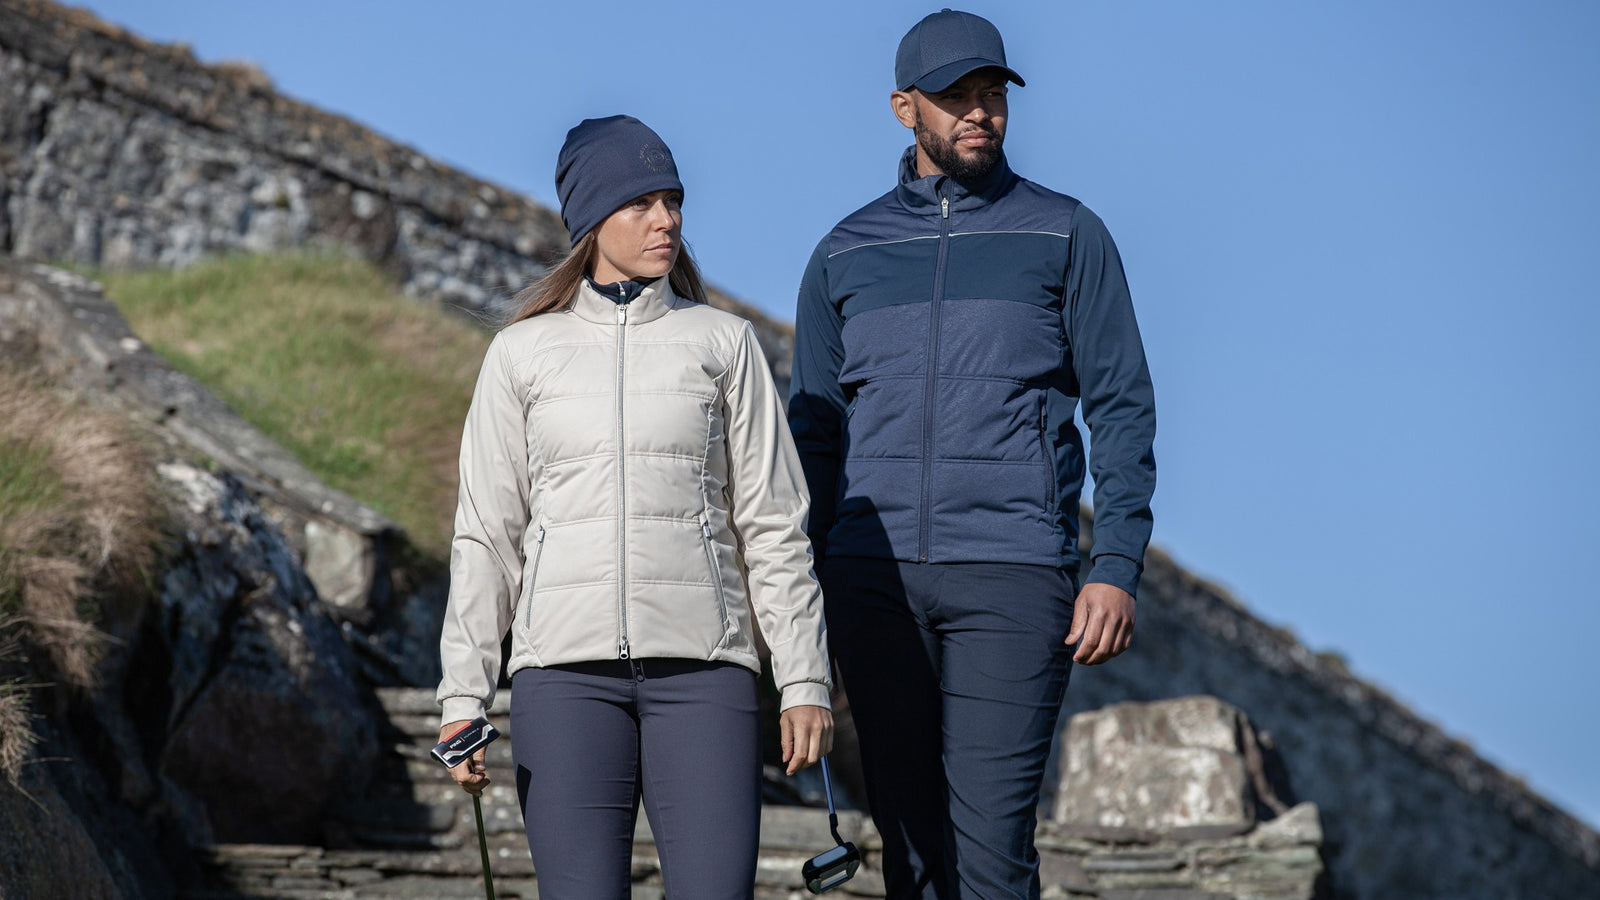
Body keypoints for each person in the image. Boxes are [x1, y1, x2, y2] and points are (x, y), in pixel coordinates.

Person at [787, 10, 1157, 899]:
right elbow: (812, 438)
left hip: (1013, 573)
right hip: (871, 583)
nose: (979, 113)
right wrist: (803, 582)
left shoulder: (1067, 235)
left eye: (992, 95)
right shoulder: (845, 253)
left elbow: (1121, 405)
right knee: (909, 853)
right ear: (903, 108)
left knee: (991, 852)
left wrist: (1115, 563)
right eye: (956, 97)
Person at [437, 114, 834, 900]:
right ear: (591, 220)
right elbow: (487, 533)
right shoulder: (522, 353)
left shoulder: (724, 343)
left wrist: (803, 679)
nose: (667, 220)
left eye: (673, 200)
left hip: (706, 676)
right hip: (561, 680)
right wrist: (461, 696)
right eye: (642, 203)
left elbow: (774, 525)